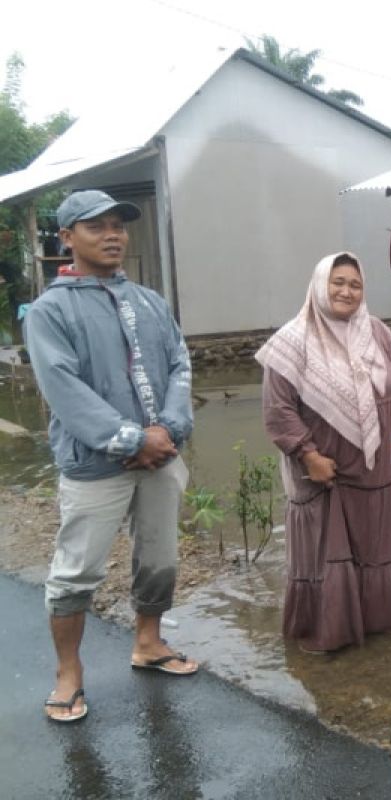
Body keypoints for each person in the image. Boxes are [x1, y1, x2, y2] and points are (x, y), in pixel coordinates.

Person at [24, 190, 197, 723]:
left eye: (118, 224)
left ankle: (148, 642)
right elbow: (63, 389)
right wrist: (131, 439)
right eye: (95, 226)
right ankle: (68, 673)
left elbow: (180, 364)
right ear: (67, 237)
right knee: (76, 572)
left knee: (160, 558)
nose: (113, 234)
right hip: (96, 465)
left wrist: (166, 430)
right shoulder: (50, 310)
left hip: (160, 458)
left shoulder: (149, 300)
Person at [258, 252, 391, 652]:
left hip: (376, 472)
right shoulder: (292, 342)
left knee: (376, 547)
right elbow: (279, 411)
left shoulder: (379, 334)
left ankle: (377, 626)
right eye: (338, 282)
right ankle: (329, 633)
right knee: (327, 554)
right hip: (324, 476)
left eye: (355, 284)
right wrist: (309, 456)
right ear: (319, 285)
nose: (347, 291)